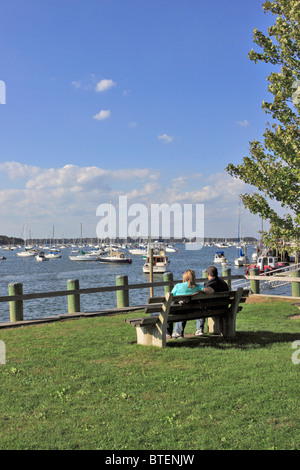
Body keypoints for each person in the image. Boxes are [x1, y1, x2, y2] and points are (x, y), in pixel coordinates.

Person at [170, 269, 213, 338]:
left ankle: (176, 332)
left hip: (180, 310)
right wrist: (202, 290)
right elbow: (211, 291)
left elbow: (170, 296)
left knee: (177, 308)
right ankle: (199, 329)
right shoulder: (197, 287)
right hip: (193, 310)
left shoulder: (178, 286)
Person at [195, 265, 229, 335]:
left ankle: (199, 329)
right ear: (217, 273)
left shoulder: (209, 284)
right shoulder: (223, 283)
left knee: (201, 306)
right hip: (224, 307)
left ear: (207, 274)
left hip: (214, 308)